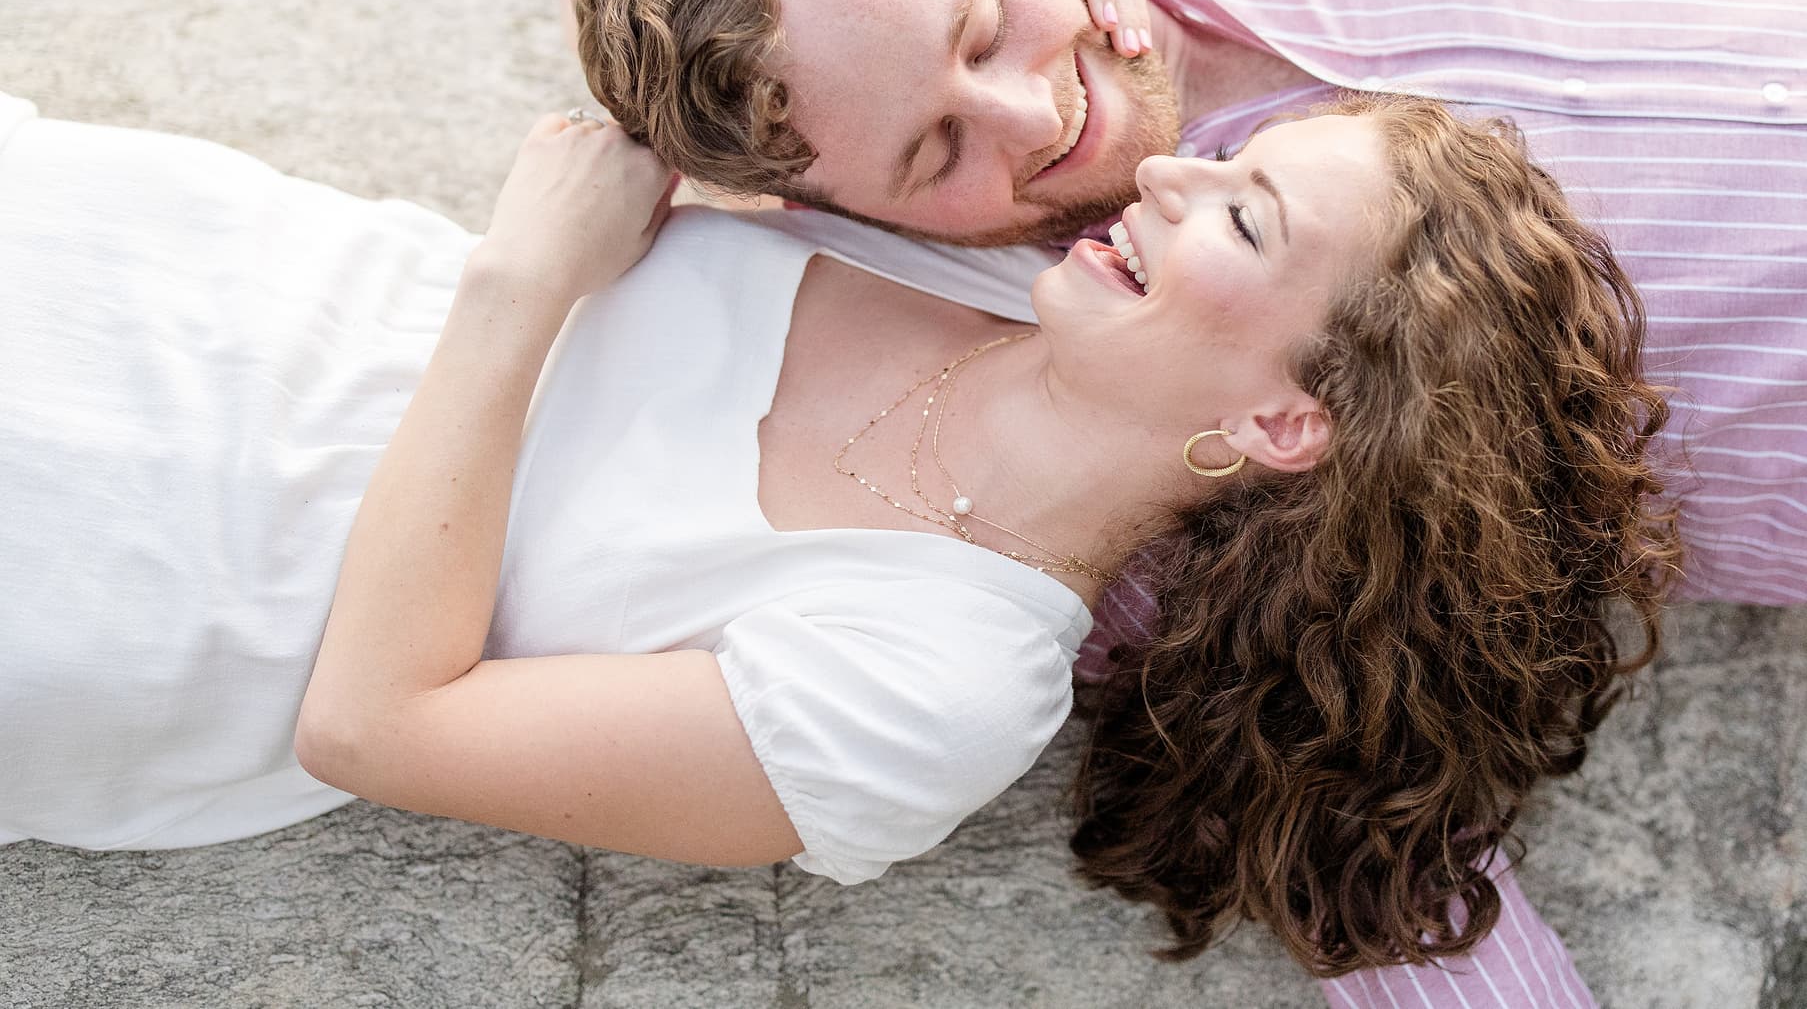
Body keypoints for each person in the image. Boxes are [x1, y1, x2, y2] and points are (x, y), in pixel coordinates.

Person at [560, 0, 1807, 1005]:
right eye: (936, 151)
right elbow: (1353, 816)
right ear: (846, 212)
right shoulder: (1129, 425)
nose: (1032, 112)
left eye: (988, 19)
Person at [0, 86, 1672, 975]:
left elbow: (376, 721)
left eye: (1241, 209)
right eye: (1227, 153)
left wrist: (520, 294)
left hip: (136, 583)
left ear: (1286, 422)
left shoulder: (933, 685)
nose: (1165, 177)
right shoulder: (977, 242)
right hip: (151, 260)